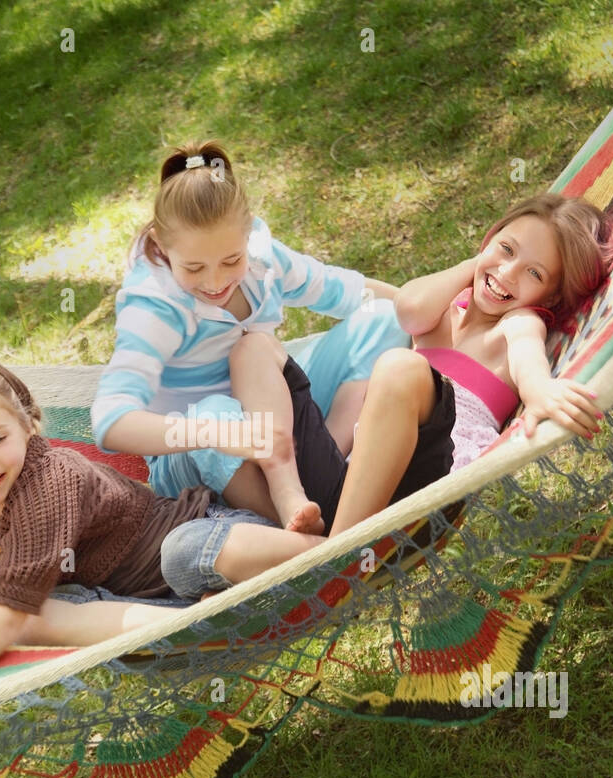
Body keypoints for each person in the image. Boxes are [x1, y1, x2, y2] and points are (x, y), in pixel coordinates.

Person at [0, 356, 321, 778]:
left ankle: (313, 548)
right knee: (46, 612)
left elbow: (4, 618)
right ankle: (185, 624)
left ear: (29, 428)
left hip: (206, 535)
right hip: (150, 598)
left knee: (178, 555)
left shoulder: (48, 482)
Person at [161, 193, 613, 590]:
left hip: (417, 484)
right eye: (505, 249)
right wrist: (475, 264)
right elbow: (408, 307)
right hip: (357, 481)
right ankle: (303, 525)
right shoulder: (446, 309)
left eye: (534, 274)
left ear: (550, 298)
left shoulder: (518, 324)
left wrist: (541, 391)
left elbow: (528, 358)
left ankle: (334, 556)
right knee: (254, 349)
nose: (507, 273)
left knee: (401, 367)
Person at [91, 139, 411, 536]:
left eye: (231, 260)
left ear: (247, 234)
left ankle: (326, 460)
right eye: (193, 268)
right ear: (160, 244)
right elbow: (109, 421)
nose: (215, 281)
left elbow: (340, 290)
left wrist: (422, 304)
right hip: (200, 449)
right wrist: (217, 433)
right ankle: (295, 529)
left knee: (385, 319)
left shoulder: (263, 260)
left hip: (271, 409)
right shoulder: (154, 307)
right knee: (214, 411)